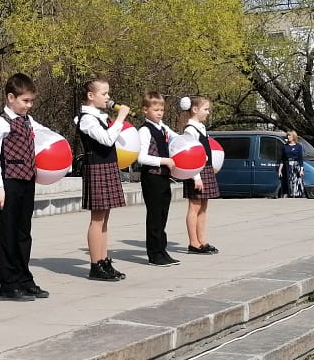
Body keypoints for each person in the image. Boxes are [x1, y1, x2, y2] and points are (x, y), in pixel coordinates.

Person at [0, 73, 50, 300]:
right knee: (8, 233)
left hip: (27, 181)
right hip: (9, 182)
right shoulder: (1, 122)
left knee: (24, 232)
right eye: (25, 101)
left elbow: (43, 133)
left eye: (31, 101)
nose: (29, 105)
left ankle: (24, 277)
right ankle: (8, 283)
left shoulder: (27, 120)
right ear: (11, 97)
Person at [75, 78, 129, 281]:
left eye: (108, 93)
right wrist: (120, 118)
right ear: (91, 96)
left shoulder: (99, 116)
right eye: (104, 94)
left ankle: (104, 260)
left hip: (106, 165)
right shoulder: (87, 119)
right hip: (96, 167)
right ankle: (95, 264)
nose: (108, 97)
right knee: (97, 219)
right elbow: (106, 139)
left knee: (105, 217)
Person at [134, 91, 180, 267]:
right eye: (155, 109)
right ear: (145, 110)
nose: (159, 113)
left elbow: (176, 137)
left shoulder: (163, 127)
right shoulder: (145, 130)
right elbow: (141, 157)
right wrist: (163, 160)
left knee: (163, 214)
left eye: (161, 109)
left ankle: (162, 249)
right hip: (151, 177)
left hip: (163, 176)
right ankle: (154, 253)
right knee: (154, 216)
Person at [178, 95, 220, 254]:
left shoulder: (201, 127)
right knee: (194, 207)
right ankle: (193, 242)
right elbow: (190, 155)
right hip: (196, 172)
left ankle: (203, 240)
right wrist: (196, 177)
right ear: (195, 109)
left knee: (203, 208)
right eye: (206, 109)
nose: (208, 112)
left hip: (206, 168)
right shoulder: (190, 129)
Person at [280, 130, 305, 198]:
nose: (288, 137)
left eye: (290, 135)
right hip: (287, 166)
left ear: (294, 137)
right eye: (287, 135)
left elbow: (300, 158)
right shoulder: (284, 146)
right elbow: (282, 159)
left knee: (296, 181)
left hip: (296, 166)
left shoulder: (298, 146)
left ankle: (297, 195)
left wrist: (301, 169)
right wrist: (280, 170)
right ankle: (289, 194)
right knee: (288, 180)